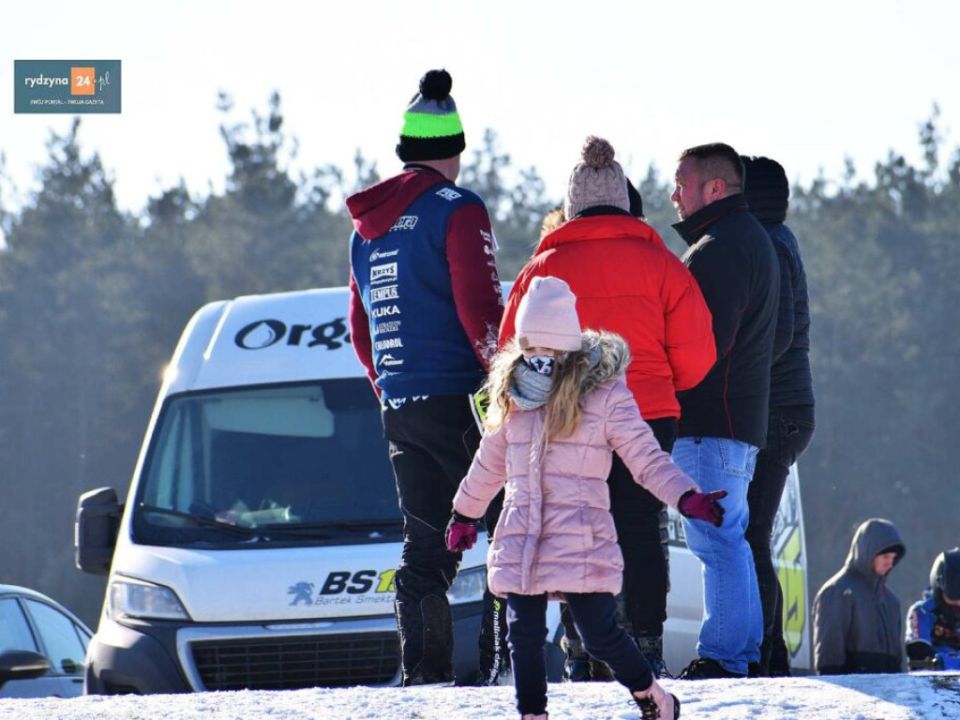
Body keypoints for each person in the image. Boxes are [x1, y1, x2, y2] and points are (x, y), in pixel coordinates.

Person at [447, 276, 725, 719]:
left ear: (567, 347)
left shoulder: (603, 396)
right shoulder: (513, 395)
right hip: (522, 534)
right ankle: (533, 714)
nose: (538, 358)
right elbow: (488, 464)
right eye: (530, 347)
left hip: (580, 533)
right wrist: (464, 513)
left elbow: (645, 456)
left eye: (548, 349)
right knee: (522, 633)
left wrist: (685, 496)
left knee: (599, 634)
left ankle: (652, 696)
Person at [499, 136, 716, 679]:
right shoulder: (662, 265)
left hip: (565, 416)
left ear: (571, 205)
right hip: (648, 411)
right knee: (640, 528)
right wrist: (663, 386)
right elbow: (697, 356)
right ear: (622, 200)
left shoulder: (540, 270)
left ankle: (580, 646)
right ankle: (646, 641)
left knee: (573, 525)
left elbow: (510, 354)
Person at [346, 68, 504, 686]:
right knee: (506, 528)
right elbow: (480, 309)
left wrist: (387, 384)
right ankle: (503, 666)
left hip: (400, 402)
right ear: (455, 150)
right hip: (460, 395)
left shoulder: (366, 228)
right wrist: (509, 379)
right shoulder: (458, 209)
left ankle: (424, 674)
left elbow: (360, 327)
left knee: (424, 544)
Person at [669, 142, 780, 680]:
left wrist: (666, 387)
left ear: (715, 187)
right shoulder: (751, 239)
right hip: (736, 419)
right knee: (728, 537)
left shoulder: (719, 249)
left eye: (681, 185)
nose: (674, 196)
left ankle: (725, 655)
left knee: (717, 539)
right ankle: (740, 650)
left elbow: (701, 345)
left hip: (711, 420)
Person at [741, 156, 816, 677]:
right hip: (786, 407)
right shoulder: (777, 238)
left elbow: (781, 333)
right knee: (754, 537)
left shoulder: (768, 243)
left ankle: (769, 657)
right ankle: (771, 653)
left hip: (777, 407)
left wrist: (732, 368)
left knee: (751, 537)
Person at [812, 518, 906, 675]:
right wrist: (833, 683)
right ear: (868, 553)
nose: (890, 563)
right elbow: (829, 654)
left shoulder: (891, 601)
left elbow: (896, 659)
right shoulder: (837, 592)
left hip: (889, 687)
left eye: (893, 558)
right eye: (885, 557)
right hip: (849, 687)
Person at [905, 548, 960, 671]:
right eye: (953, 598)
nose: (959, 604)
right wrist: (943, 662)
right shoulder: (923, 612)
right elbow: (920, 662)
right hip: (934, 682)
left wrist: (945, 661)